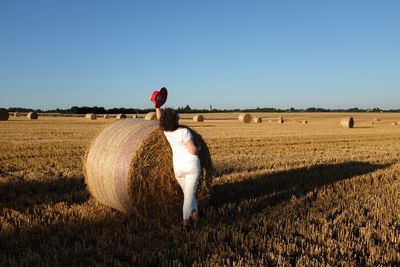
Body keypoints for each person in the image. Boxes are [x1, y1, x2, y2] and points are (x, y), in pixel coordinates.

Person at [152, 102, 202, 230]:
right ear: (175, 119)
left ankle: (195, 215)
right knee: (188, 196)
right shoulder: (184, 132)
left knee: (188, 194)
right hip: (191, 167)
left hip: (178, 167)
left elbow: (160, 119)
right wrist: (200, 146)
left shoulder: (167, 132)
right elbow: (193, 151)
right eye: (176, 115)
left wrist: (157, 106)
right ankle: (185, 223)